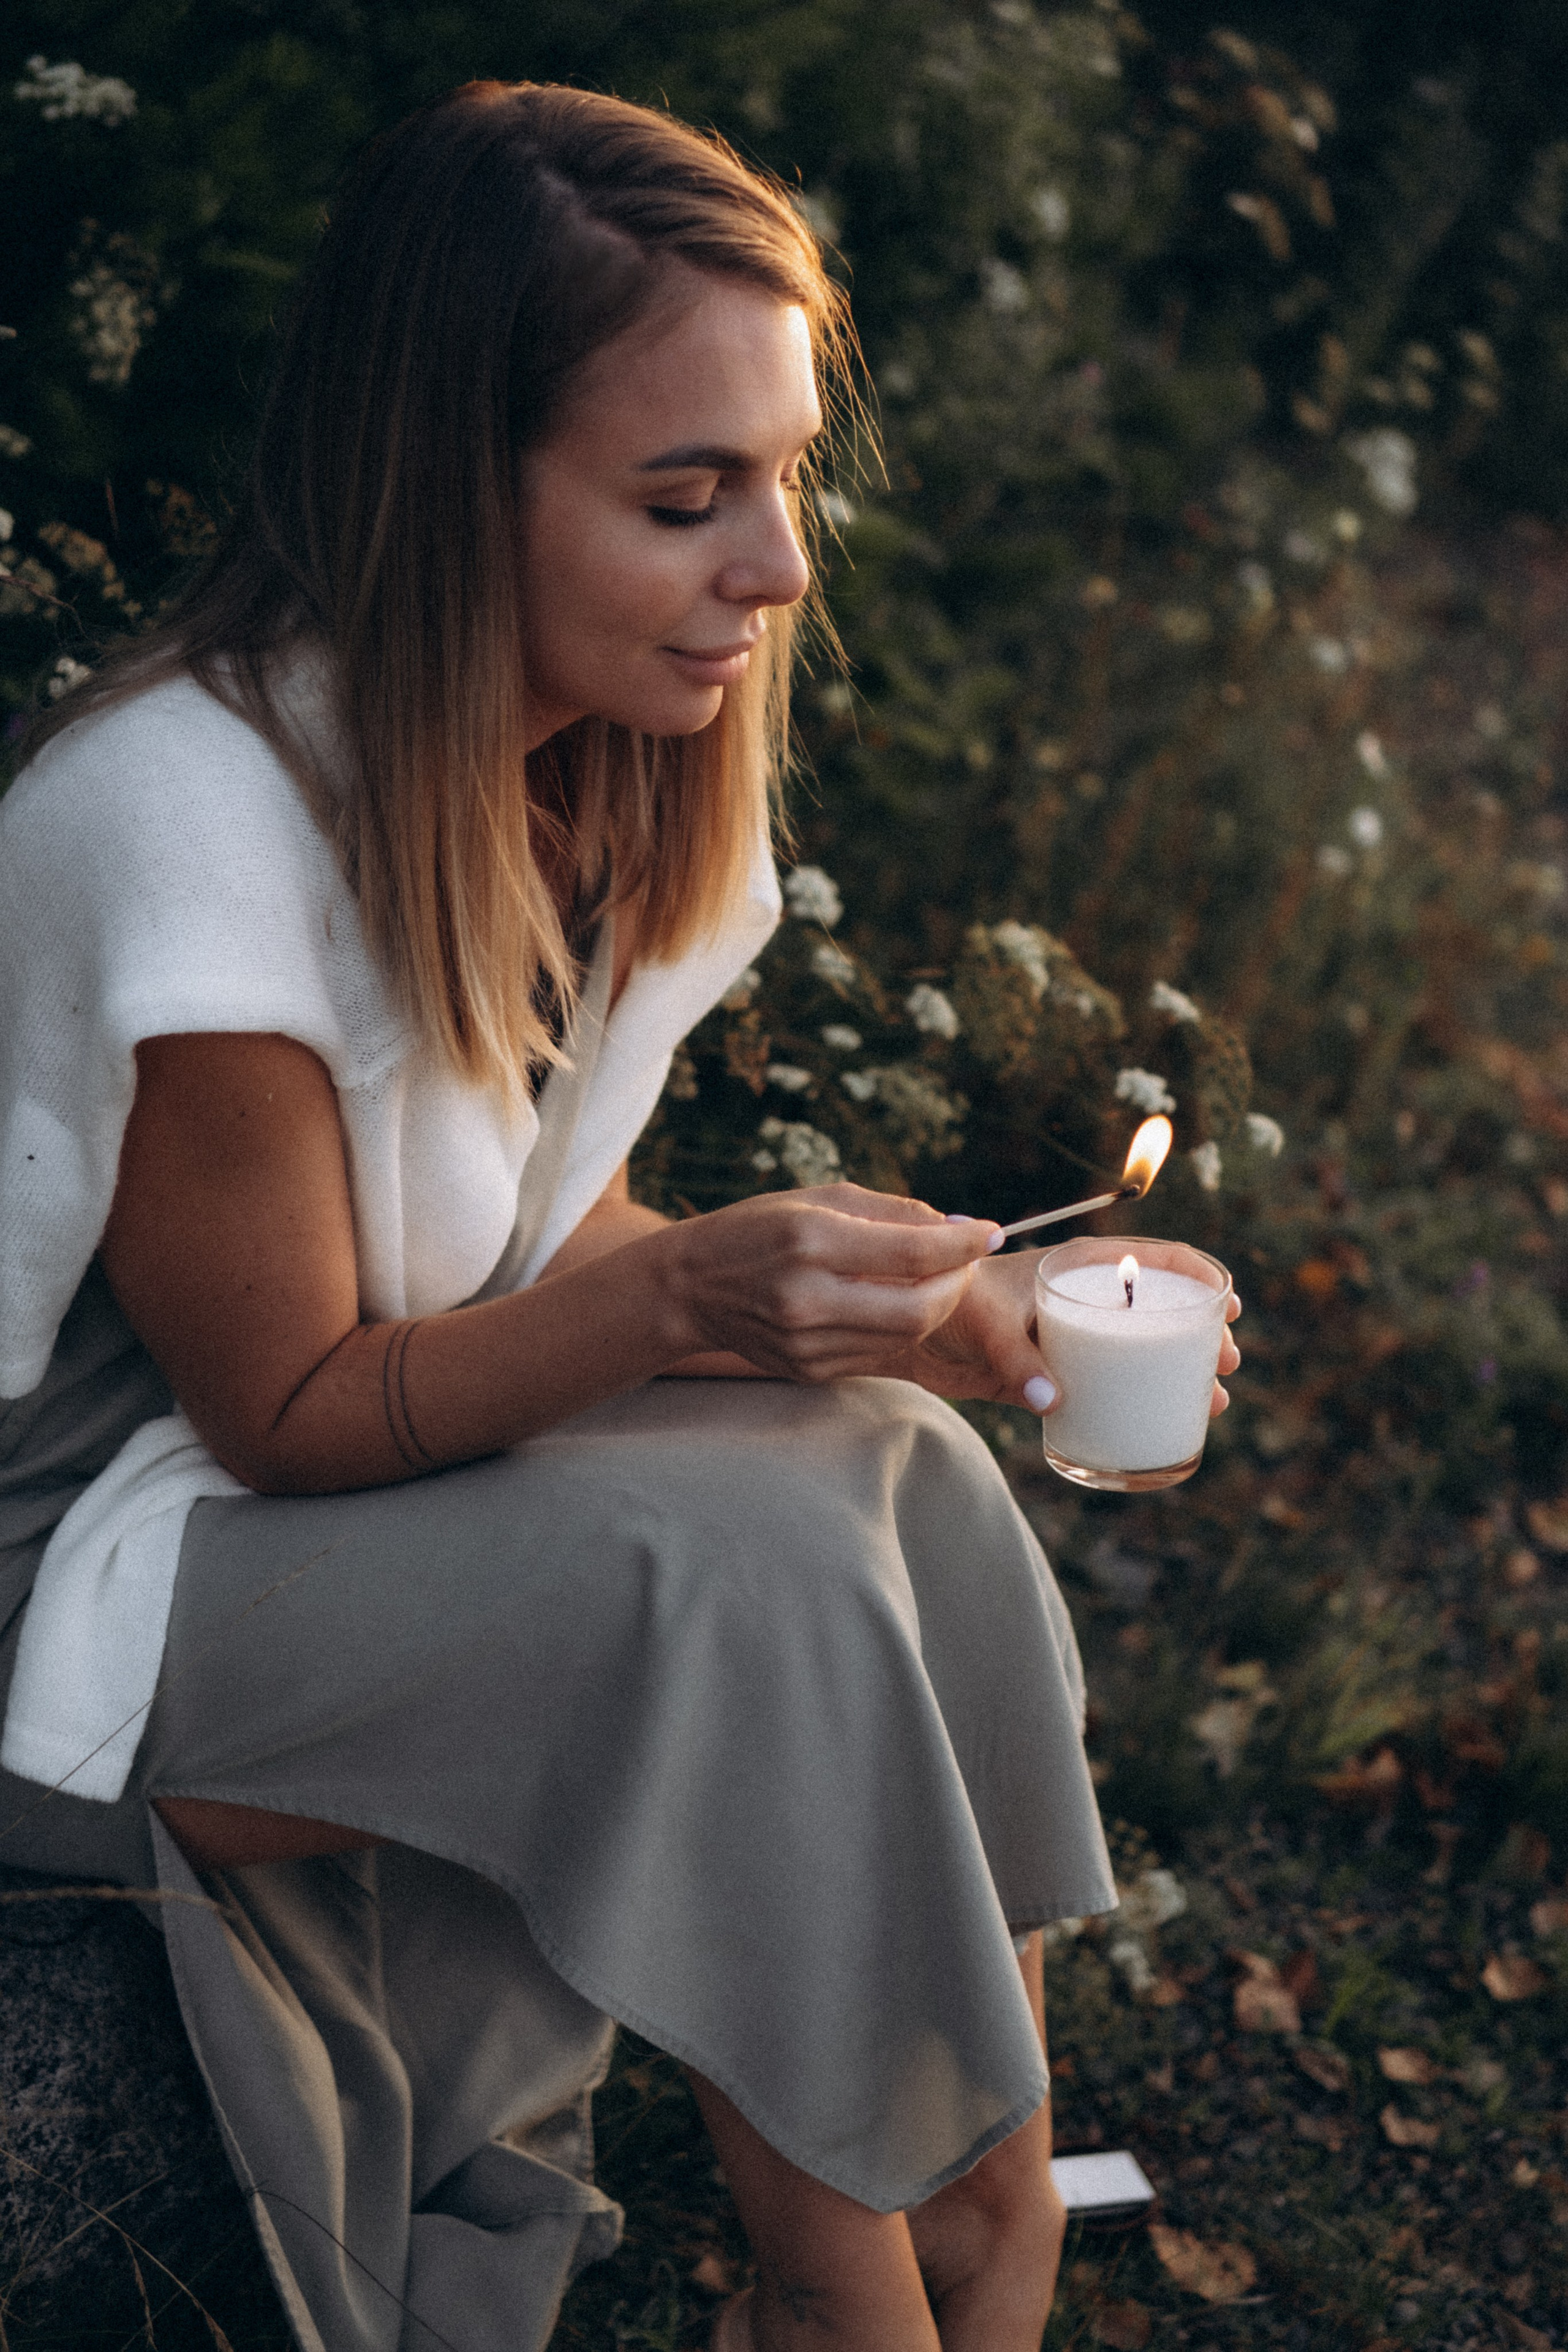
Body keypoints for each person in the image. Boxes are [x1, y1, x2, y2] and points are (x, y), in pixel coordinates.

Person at [0, 80, 1238, 2352]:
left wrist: (915, 1309)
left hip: (273, 1501)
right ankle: (848, 2288)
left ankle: (986, 2193)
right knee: (738, 1580)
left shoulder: (554, 771)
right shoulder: (183, 825)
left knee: (895, 1468)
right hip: (91, 1578)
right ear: (444, 489)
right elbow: (285, 1404)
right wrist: (690, 1293)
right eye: (686, 499)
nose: (776, 568)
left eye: (782, 480)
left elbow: (494, 1245)